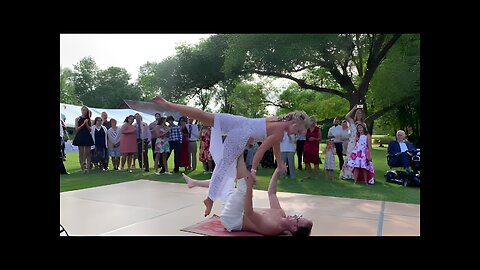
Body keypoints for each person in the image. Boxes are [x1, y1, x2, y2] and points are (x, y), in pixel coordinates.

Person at [152, 95, 311, 217]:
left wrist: (279, 164)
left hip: (238, 121)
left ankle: (168, 104)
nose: (296, 135)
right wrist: (253, 170)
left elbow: (275, 145)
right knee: (225, 164)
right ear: (295, 124)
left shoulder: (279, 122)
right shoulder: (280, 131)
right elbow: (262, 149)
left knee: (204, 116)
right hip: (242, 132)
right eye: (297, 131)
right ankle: (210, 199)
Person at [182, 157, 313, 236]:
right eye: (299, 216)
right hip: (239, 212)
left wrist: (249, 185)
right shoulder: (281, 213)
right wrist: (277, 172)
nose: (296, 215)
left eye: (298, 219)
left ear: (294, 228)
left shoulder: (272, 227)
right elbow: (271, 193)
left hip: (233, 220)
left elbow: (249, 212)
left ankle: (239, 154)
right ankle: (193, 183)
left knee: (243, 185)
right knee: (226, 182)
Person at [340, 105, 363, 180]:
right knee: (350, 157)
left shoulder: (364, 124)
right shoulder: (353, 122)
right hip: (352, 142)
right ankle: (346, 174)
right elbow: (347, 116)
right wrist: (354, 109)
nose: (360, 114)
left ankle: (355, 175)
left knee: (358, 158)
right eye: (358, 113)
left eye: (361, 113)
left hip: (360, 143)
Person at [72, 106, 94, 174]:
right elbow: (76, 129)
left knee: (88, 153)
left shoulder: (89, 120)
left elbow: (90, 129)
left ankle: (88, 169)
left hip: (87, 136)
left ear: (87, 111)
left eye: (85, 110)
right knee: (81, 153)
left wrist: (86, 124)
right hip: (80, 135)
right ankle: (82, 169)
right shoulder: (77, 119)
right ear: (81, 111)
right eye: (82, 110)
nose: (83, 111)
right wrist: (83, 123)